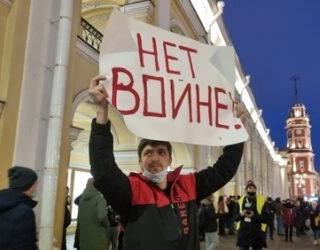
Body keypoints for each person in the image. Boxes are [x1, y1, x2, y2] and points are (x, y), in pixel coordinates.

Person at [88, 75, 247, 250]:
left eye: (161, 152)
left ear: (170, 159)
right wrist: (102, 110)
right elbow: (103, 172)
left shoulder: (188, 185)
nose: (155, 158)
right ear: (140, 161)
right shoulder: (130, 190)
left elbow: (224, 169)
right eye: (148, 153)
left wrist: (236, 130)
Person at [0, 166, 38, 250]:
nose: (36, 187)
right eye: (35, 183)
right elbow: (25, 245)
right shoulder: (24, 211)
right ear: (28, 185)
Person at [234, 180, 269, 250]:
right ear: (246, 189)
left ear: (256, 189)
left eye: (253, 188)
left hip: (257, 234)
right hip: (243, 233)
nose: (251, 189)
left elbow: (266, 218)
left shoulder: (262, 201)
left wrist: (254, 216)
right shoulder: (240, 201)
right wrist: (241, 214)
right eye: (249, 188)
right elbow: (235, 217)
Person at [78, 178, 108, 250]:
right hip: (97, 239)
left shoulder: (81, 199)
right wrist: (107, 223)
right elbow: (102, 217)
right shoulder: (100, 199)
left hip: (84, 238)